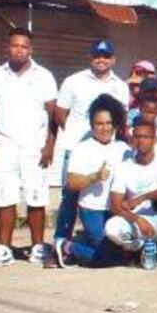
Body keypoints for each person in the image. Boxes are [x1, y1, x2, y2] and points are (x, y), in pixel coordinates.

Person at [0, 27, 59, 268]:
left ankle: (37, 248)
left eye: (24, 46)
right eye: (15, 45)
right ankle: (4, 249)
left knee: (36, 197)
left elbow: (53, 115)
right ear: (8, 47)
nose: (19, 50)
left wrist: (50, 146)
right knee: (5, 197)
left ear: (31, 49)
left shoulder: (44, 76)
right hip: (4, 145)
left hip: (36, 146)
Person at [54, 39, 131, 255]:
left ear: (113, 59)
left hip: (108, 149)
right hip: (78, 150)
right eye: (97, 55)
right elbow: (60, 113)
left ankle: (96, 239)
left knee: (106, 195)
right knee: (69, 199)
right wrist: (77, 137)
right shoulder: (73, 81)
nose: (101, 59)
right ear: (91, 57)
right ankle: (59, 243)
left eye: (106, 56)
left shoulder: (120, 86)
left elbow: (121, 118)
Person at [52, 95, 131, 268]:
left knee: (127, 252)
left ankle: (85, 242)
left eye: (108, 123)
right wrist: (94, 177)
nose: (105, 128)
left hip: (116, 211)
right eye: (99, 124)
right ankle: (67, 246)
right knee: (108, 258)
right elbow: (72, 183)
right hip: (92, 210)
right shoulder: (82, 148)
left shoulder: (124, 149)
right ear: (91, 125)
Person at [106, 119, 157, 265]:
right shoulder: (123, 168)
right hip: (139, 222)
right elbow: (115, 206)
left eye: (146, 137)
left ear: (155, 140)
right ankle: (139, 249)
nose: (141, 141)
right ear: (132, 140)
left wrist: (143, 197)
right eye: (137, 137)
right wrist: (137, 219)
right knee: (111, 228)